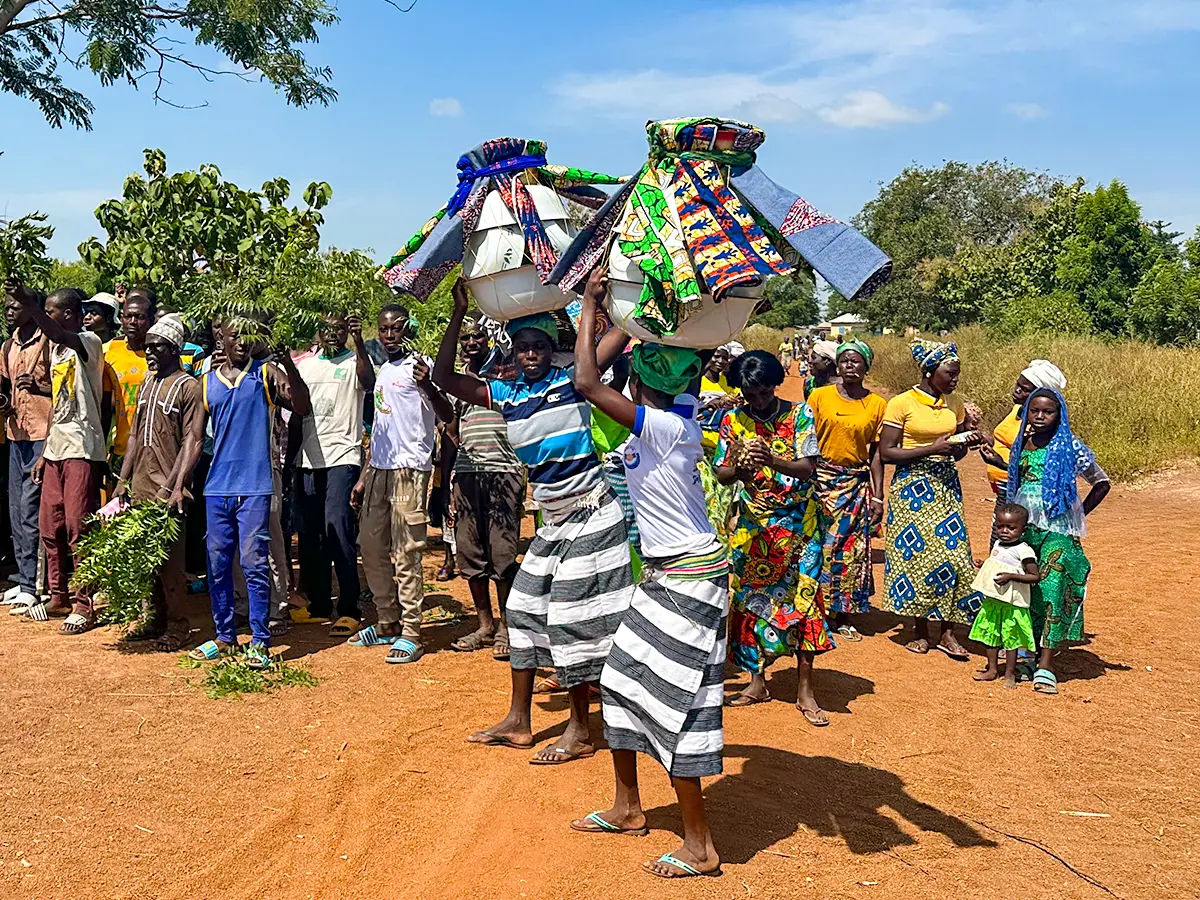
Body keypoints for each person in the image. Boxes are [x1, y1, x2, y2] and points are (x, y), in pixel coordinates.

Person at [435, 274, 634, 764]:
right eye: (523, 347)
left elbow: (622, 332)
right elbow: (443, 378)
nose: (530, 354)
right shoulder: (503, 393)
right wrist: (459, 312)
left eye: (539, 346)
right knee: (521, 613)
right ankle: (520, 721)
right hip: (553, 521)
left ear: (552, 350)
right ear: (512, 350)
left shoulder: (573, 381)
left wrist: (592, 300)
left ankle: (580, 729)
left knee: (572, 620)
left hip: (592, 511)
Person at [570, 282, 726, 880]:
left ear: (641, 386)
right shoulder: (674, 417)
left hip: (690, 575)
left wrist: (590, 310)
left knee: (675, 699)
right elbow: (609, 375)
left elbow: (588, 382)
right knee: (619, 681)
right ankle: (629, 806)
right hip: (667, 573)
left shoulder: (664, 427)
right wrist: (633, 323)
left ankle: (700, 846)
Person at [716, 350, 832, 726]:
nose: (757, 402)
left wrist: (770, 460)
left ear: (775, 385)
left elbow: (807, 468)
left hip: (799, 525)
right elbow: (722, 474)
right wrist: (738, 466)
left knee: (805, 600)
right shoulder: (733, 420)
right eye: (750, 395)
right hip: (755, 526)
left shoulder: (800, 415)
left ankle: (805, 690)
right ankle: (756, 681)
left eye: (763, 392)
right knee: (750, 603)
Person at [190, 319, 311, 669]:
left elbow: (301, 406)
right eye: (234, 336)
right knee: (217, 564)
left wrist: (286, 361)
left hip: (256, 485)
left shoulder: (265, 374)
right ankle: (225, 637)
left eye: (248, 336)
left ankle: (260, 639)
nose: (241, 342)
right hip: (217, 487)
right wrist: (178, 481)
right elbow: (196, 438)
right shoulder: (207, 381)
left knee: (254, 563)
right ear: (220, 339)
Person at [349, 304, 452, 664]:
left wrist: (428, 384)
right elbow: (368, 391)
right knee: (371, 547)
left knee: (406, 551)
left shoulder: (420, 366)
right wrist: (364, 476)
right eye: (383, 329)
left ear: (408, 328)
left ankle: (412, 631)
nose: (389, 334)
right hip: (379, 468)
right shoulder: (385, 369)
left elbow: (447, 414)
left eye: (395, 328)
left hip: (410, 469)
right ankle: (387, 620)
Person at [6, 282, 106, 633]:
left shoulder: (88, 343)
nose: (46, 320)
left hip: (82, 447)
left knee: (80, 528)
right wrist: (43, 455)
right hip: (55, 448)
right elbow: (59, 405)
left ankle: (85, 602)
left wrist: (30, 307)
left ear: (69, 315)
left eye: (50, 313)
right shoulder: (58, 354)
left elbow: (57, 335)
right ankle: (59, 593)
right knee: (51, 525)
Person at [879, 339, 983, 660]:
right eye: (950, 373)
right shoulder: (901, 403)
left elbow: (955, 448)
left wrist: (967, 434)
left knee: (953, 556)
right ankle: (921, 631)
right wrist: (931, 448)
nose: (955, 379)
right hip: (912, 487)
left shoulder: (953, 404)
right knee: (915, 558)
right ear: (929, 371)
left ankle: (948, 633)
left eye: (957, 374)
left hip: (946, 484)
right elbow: (887, 452)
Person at [1003, 387, 1110, 695]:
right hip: (1026, 528)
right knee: (1025, 591)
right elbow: (1015, 485)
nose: (1039, 417)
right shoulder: (1021, 444)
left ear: (1059, 415)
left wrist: (1079, 515)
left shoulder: (1069, 447)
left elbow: (1101, 482)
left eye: (1047, 412)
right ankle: (1026, 656)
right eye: (1033, 411)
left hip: (1058, 530)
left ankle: (1046, 665)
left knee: (1051, 588)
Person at [113, 314, 205, 648]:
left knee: (170, 564)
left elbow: (191, 441)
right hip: (141, 486)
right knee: (147, 562)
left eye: (157, 348)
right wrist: (123, 482)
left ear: (174, 349)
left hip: (169, 489)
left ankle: (179, 625)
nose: (149, 353)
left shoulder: (188, 386)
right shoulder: (149, 383)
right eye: (148, 347)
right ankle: (155, 619)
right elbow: (136, 435)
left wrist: (176, 484)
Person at [291, 313, 375, 637]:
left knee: (338, 527)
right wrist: (291, 462)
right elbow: (299, 415)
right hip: (308, 461)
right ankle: (320, 605)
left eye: (340, 328)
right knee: (312, 535)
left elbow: (368, 384)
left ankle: (350, 608)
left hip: (343, 456)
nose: (333, 334)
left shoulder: (356, 361)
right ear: (317, 331)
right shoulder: (306, 366)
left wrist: (358, 342)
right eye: (327, 328)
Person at [446, 316, 524, 659]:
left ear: (489, 339)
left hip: (505, 470)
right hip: (467, 471)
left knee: (503, 553)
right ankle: (485, 624)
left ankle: (508, 625)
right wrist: (447, 481)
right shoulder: (458, 382)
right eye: (466, 338)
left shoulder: (507, 373)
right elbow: (450, 429)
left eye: (477, 336)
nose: (471, 342)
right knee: (471, 550)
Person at [808, 339, 887, 641]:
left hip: (855, 483)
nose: (850, 366)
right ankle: (816, 609)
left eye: (856, 361)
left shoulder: (877, 405)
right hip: (820, 480)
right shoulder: (820, 396)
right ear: (837, 365)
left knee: (849, 550)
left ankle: (842, 613)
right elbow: (805, 436)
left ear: (867, 366)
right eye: (845, 361)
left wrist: (878, 495)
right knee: (818, 546)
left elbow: (877, 454)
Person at [0, 288, 51, 613]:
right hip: (16, 434)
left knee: (31, 510)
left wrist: (39, 388)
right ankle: (21, 578)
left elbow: (63, 388)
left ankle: (34, 585)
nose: (8, 311)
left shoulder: (49, 342)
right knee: (16, 510)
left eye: (15, 306)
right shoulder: (8, 346)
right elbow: (3, 387)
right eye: (6, 306)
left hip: (42, 435)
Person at [979, 361, 1067, 541]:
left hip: (1022, 493)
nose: (1017, 390)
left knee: (1009, 544)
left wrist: (999, 463)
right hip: (1004, 488)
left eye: (1025, 389)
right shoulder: (1017, 411)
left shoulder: (1038, 426)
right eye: (1018, 385)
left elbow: (1034, 469)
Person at [968, 503, 1040, 689]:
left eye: (1011, 528)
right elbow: (998, 563)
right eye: (1000, 526)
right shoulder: (998, 544)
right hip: (994, 600)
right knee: (991, 635)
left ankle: (1009, 673)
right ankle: (992, 669)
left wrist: (1011, 577)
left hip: (1013, 603)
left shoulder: (1024, 550)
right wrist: (984, 564)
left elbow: (1034, 576)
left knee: (1011, 638)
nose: (1004, 531)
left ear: (1023, 530)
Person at [105, 288, 155, 459]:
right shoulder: (112, 351)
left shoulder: (162, 354)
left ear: (151, 320)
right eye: (128, 317)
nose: (133, 322)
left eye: (139, 317)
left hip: (153, 451)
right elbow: (105, 405)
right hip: (119, 448)